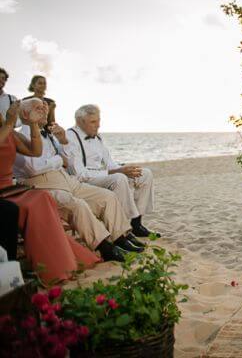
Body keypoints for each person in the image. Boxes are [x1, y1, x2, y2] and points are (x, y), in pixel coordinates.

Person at [13, 99, 144, 263]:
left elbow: (68, 161)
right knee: (78, 205)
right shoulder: (23, 134)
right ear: (26, 114)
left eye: (44, 107)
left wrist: (63, 141)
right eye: (38, 108)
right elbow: (34, 168)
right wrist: (58, 160)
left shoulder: (47, 133)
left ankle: (120, 238)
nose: (44, 111)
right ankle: (105, 248)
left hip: (65, 179)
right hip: (41, 184)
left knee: (107, 197)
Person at [0, 99, 100, 282]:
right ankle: (49, 268)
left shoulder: (10, 134)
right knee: (29, 205)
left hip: (10, 189)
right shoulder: (7, 129)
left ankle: (60, 263)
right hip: (4, 193)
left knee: (42, 198)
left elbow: (35, 151)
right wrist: (9, 122)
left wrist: (32, 125)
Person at [66, 105, 158, 237]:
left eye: (98, 120)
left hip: (103, 175)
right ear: (80, 122)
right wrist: (117, 172)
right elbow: (80, 174)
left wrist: (125, 169)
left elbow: (109, 163)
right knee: (118, 178)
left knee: (144, 174)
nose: (98, 125)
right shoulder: (70, 137)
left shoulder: (97, 137)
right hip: (85, 181)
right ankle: (122, 229)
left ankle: (136, 224)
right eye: (93, 122)